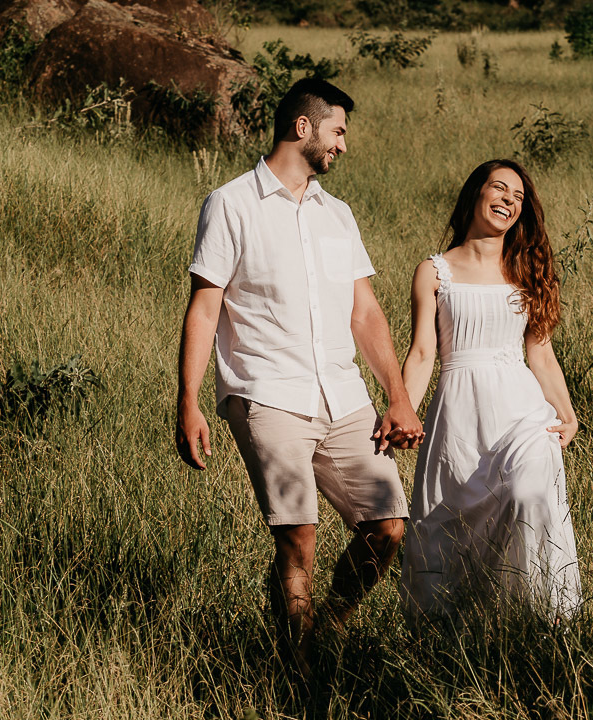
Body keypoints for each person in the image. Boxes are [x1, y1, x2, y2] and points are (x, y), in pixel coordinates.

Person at [174, 78, 423, 673]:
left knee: (388, 524)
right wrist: (188, 401)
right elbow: (205, 307)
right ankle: (300, 665)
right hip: (265, 391)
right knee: (300, 534)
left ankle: (327, 621)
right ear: (303, 127)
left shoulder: (337, 214)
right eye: (338, 131)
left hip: (342, 395)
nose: (343, 145)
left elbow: (365, 312)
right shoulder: (231, 203)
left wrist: (397, 397)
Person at [399, 159, 582, 622]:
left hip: (522, 411)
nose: (508, 201)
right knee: (451, 528)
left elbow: (540, 353)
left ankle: (542, 619)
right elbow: (422, 353)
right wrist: (401, 411)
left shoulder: (527, 270)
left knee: (528, 491)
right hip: (459, 415)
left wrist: (567, 412)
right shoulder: (434, 271)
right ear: (475, 194)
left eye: (518, 198)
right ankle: (465, 637)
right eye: (499, 189)